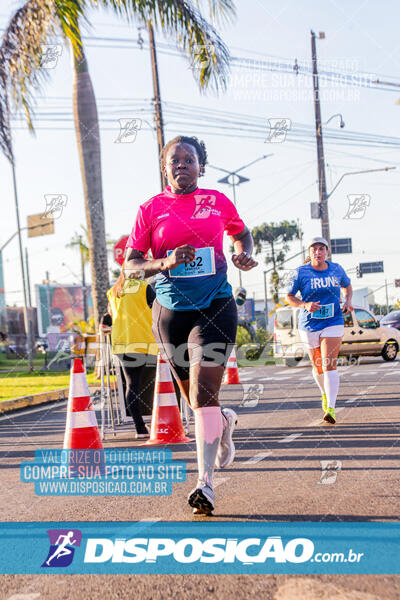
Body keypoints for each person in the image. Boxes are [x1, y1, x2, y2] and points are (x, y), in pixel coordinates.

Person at [125, 135, 258, 515]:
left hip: (215, 305)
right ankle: (225, 421)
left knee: (202, 397)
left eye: (189, 159)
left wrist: (242, 253)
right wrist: (164, 263)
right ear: (165, 167)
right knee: (197, 403)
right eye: (175, 160)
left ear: (201, 165)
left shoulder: (216, 201)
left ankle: (205, 485)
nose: (182, 165)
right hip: (170, 312)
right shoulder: (150, 209)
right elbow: (131, 266)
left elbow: (242, 233)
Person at [285, 237, 353, 424]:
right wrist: (305, 304)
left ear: (327, 252)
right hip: (309, 324)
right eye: (314, 249)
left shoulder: (336, 269)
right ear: (309, 253)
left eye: (321, 248)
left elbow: (347, 285)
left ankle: (331, 408)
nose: (318, 252)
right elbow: (289, 297)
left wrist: (347, 301)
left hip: (333, 320)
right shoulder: (301, 272)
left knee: (329, 362)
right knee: (317, 366)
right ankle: (324, 394)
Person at [106, 268, 157, 438]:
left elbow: (110, 315)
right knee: (159, 384)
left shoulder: (113, 291)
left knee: (132, 385)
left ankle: (140, 429)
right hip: (145, 341)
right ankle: (161, 422)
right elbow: (159, 309)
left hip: (122, 344)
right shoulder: (144, 287)